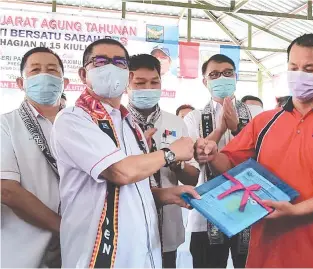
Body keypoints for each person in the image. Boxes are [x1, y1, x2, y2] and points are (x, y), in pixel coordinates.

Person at [194, 34, 313, 268]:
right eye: (293, 67)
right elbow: (229, 163)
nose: (299, 74)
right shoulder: (265, 121)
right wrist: (211, 154)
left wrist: (296, 211)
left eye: (309, 69)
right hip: (263, 250)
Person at [50, 38, 198, 268]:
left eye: (119, 63)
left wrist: (165, 195)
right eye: (100, 62)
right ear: (82, 74)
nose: (110, 67)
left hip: (141, 251)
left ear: (127, 76)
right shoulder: (74, 118)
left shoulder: (129, 124)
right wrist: (171, 152)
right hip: (98, 253)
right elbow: (119, 172)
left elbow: (131, 189)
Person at [184, 54, 262, 268]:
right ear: (205, 81)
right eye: (215, 74)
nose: (222, 78)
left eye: (228, 73)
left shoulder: (256, 114)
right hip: (206, 214)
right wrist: (219, 130)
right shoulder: (194, 118)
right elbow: (195, 156)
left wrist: (238, 129)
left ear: (235, 77)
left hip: (250, 211)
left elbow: (262, 155)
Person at [126, 54, 200, 268]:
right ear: (126, 85)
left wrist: (175, 162)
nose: (148, 88)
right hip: (129, 226)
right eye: (139, 83)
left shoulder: (175, 122)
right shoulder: (118, 123)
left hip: (168, 226)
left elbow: (193, 177)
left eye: (154, 82)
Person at [1, 47, 68, 268]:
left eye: (52, 70)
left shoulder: (81, 126)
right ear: (21, 83)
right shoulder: (6, 125)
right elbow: (7, 190)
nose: (44, 75)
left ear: (64, 82)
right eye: (35, 70)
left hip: (79, 248)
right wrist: (65, 228)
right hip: (22, 249)